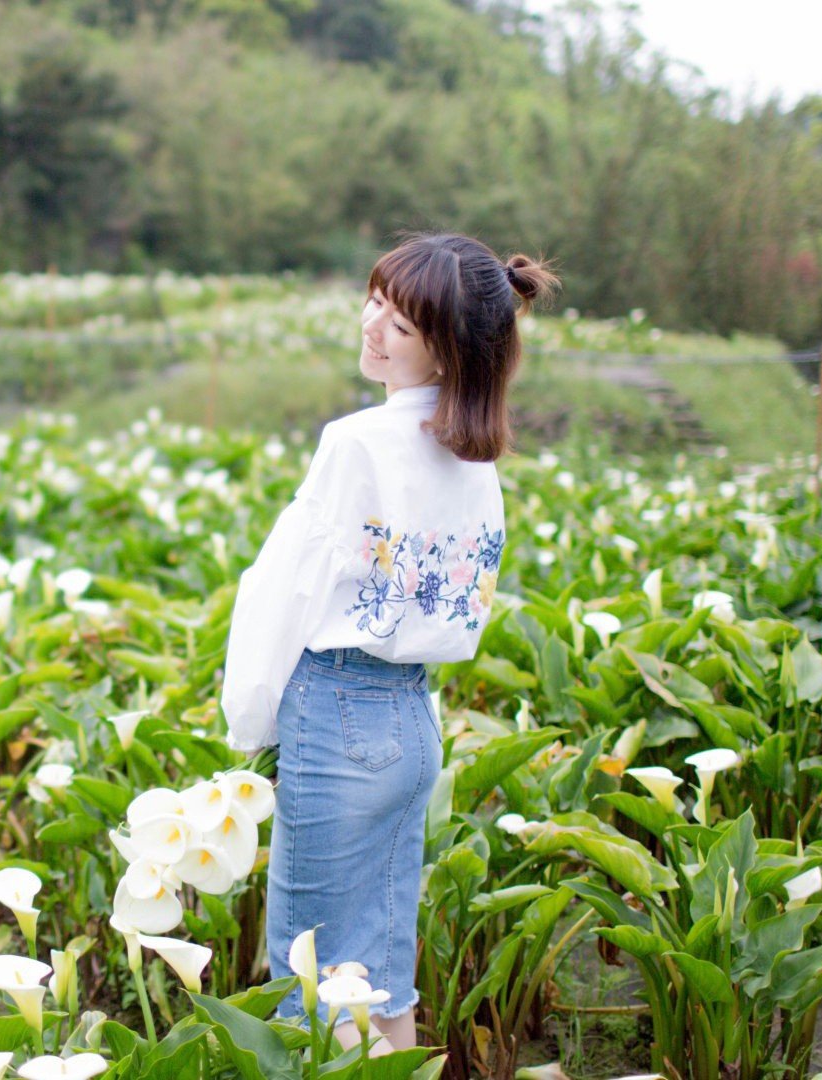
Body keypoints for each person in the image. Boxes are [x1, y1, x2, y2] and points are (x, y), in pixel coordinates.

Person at [219, 231, 558, 1055]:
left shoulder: (357, 442)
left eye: (400, 324)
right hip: (412, 723)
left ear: (445, 349)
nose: (373, 325)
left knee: (307, 977)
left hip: (335, 712)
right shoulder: (476, 459)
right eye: (376, 300)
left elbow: (280, 595)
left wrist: (249, 723)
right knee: (380, 970)